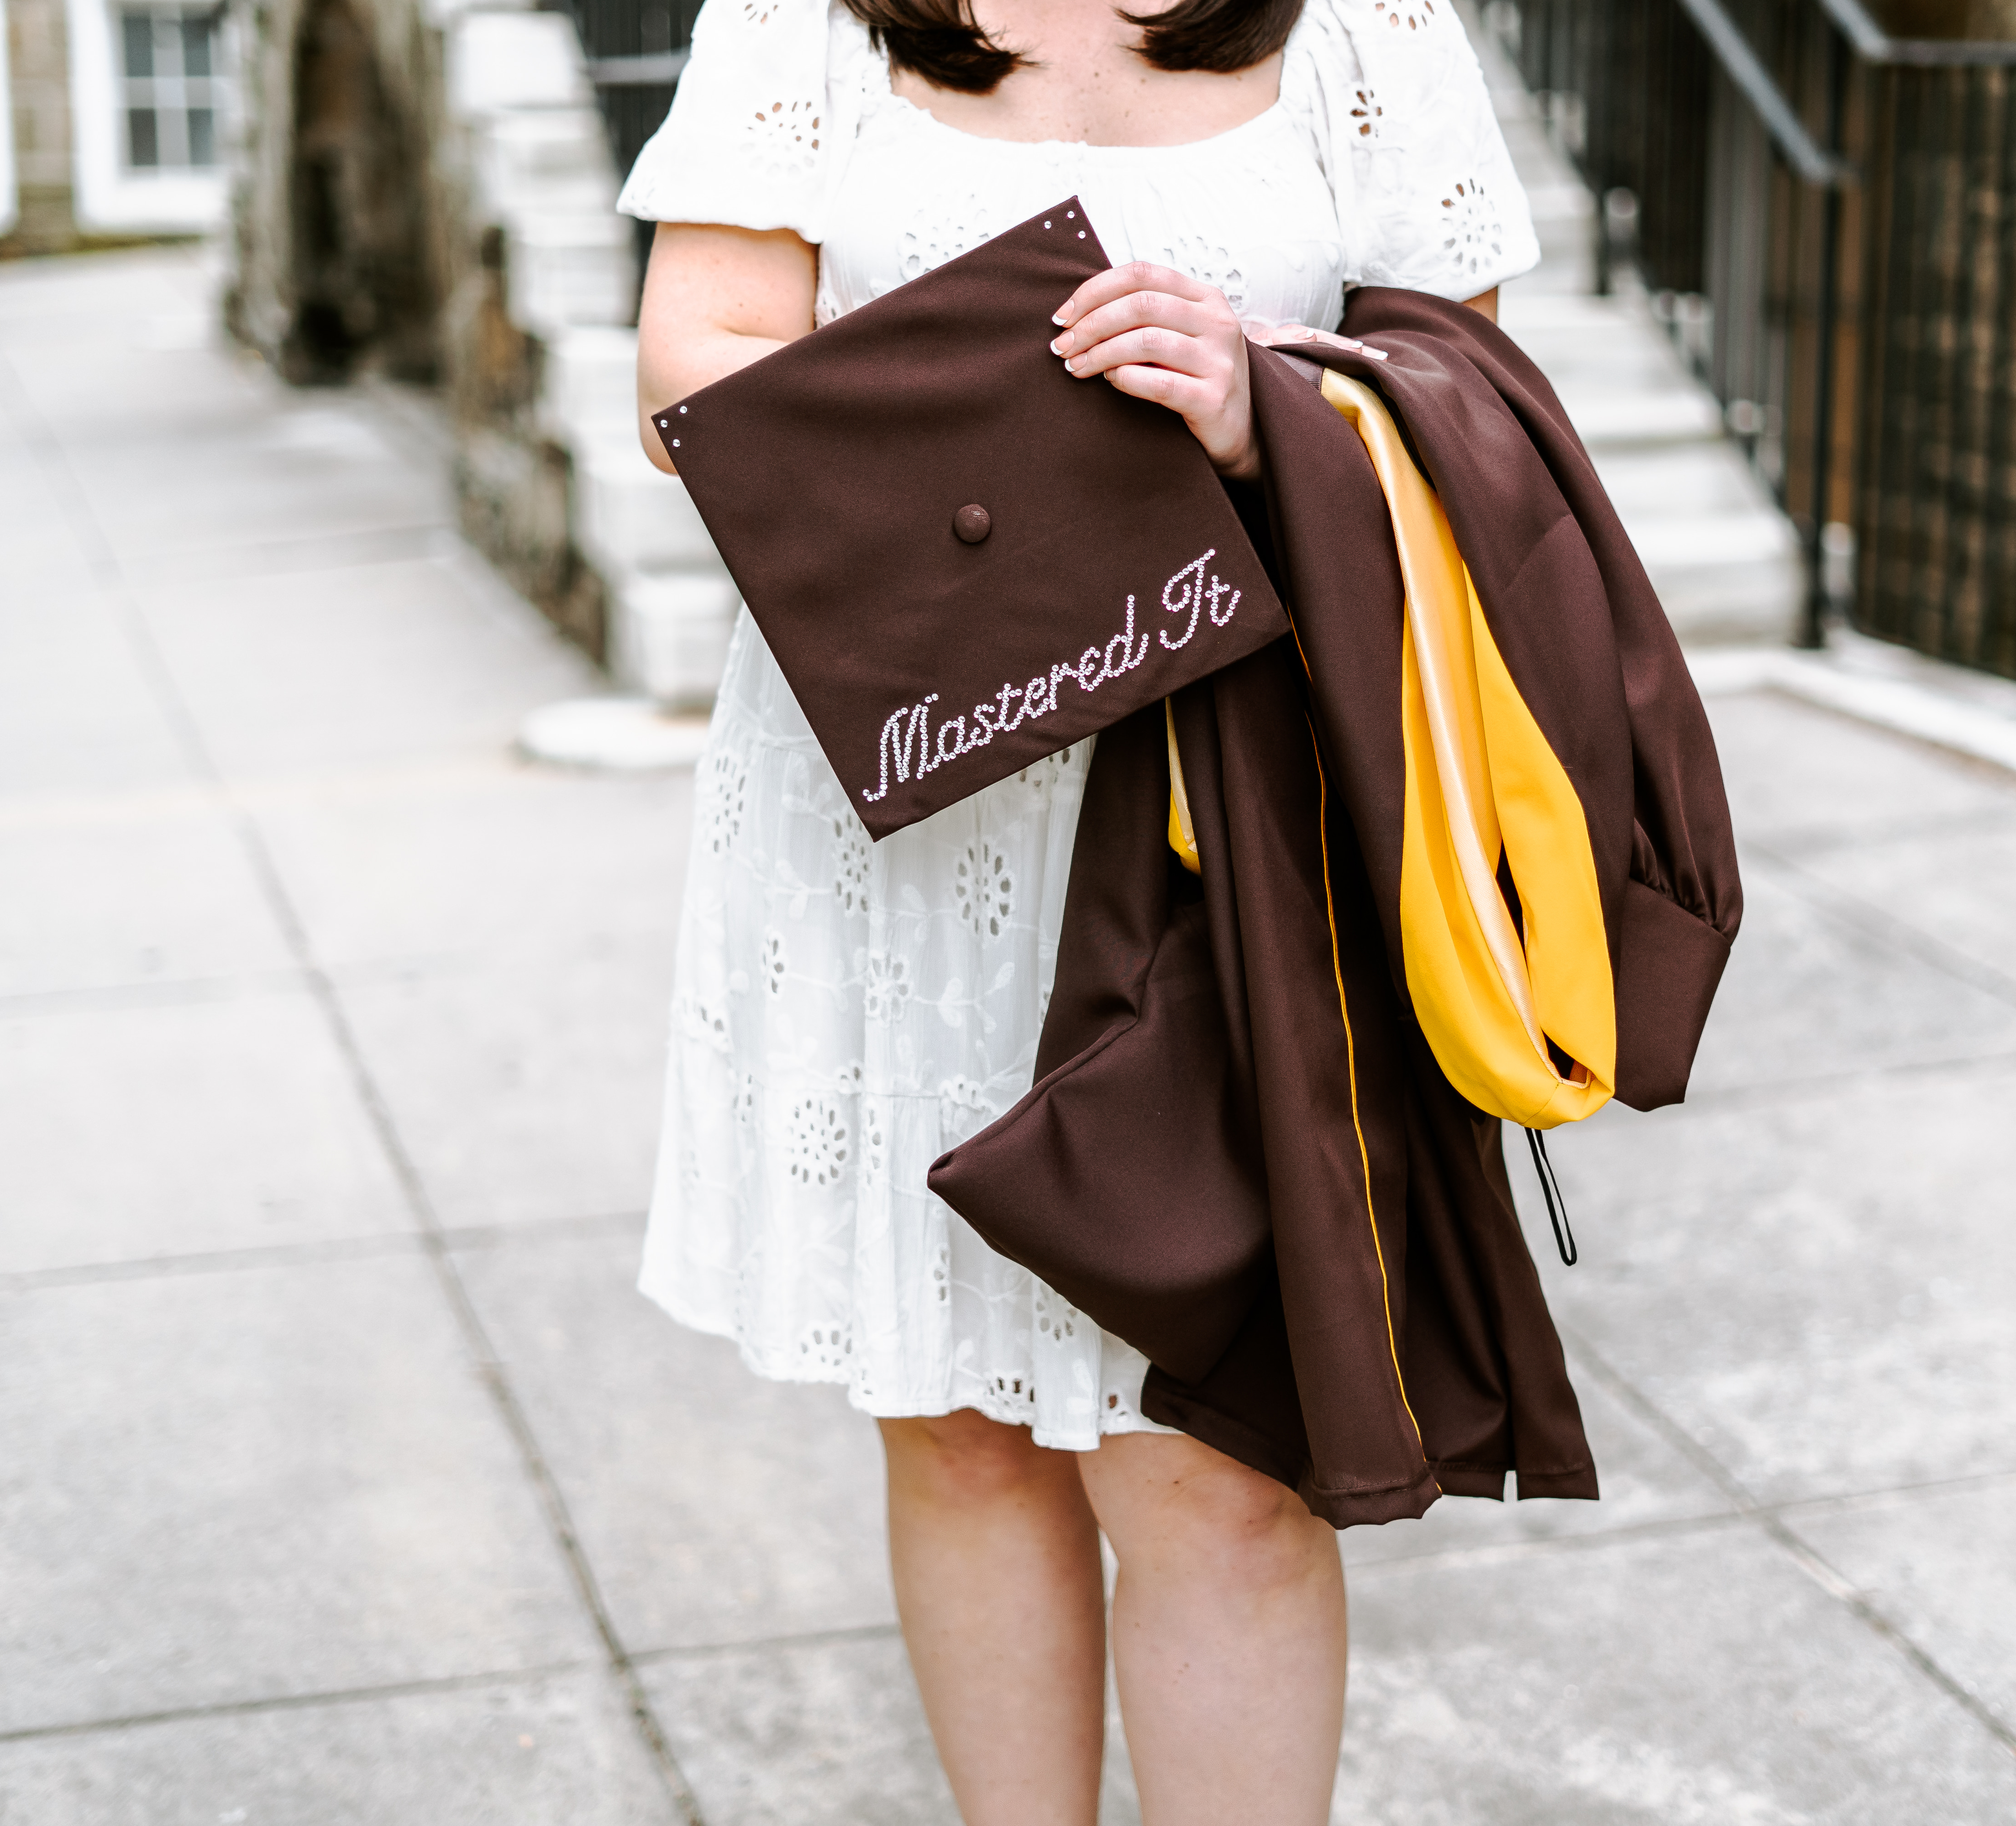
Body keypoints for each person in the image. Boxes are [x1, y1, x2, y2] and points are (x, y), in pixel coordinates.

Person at [622, 0, 1537, 1812]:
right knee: (962, 1438)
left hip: (1232, 833)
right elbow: (690, 363)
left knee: (1217, 1459)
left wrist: (1262, 404)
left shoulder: (1367, 20)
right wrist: (1005, 430)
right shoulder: (803, 17)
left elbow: (1475, 399)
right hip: (898, 820)